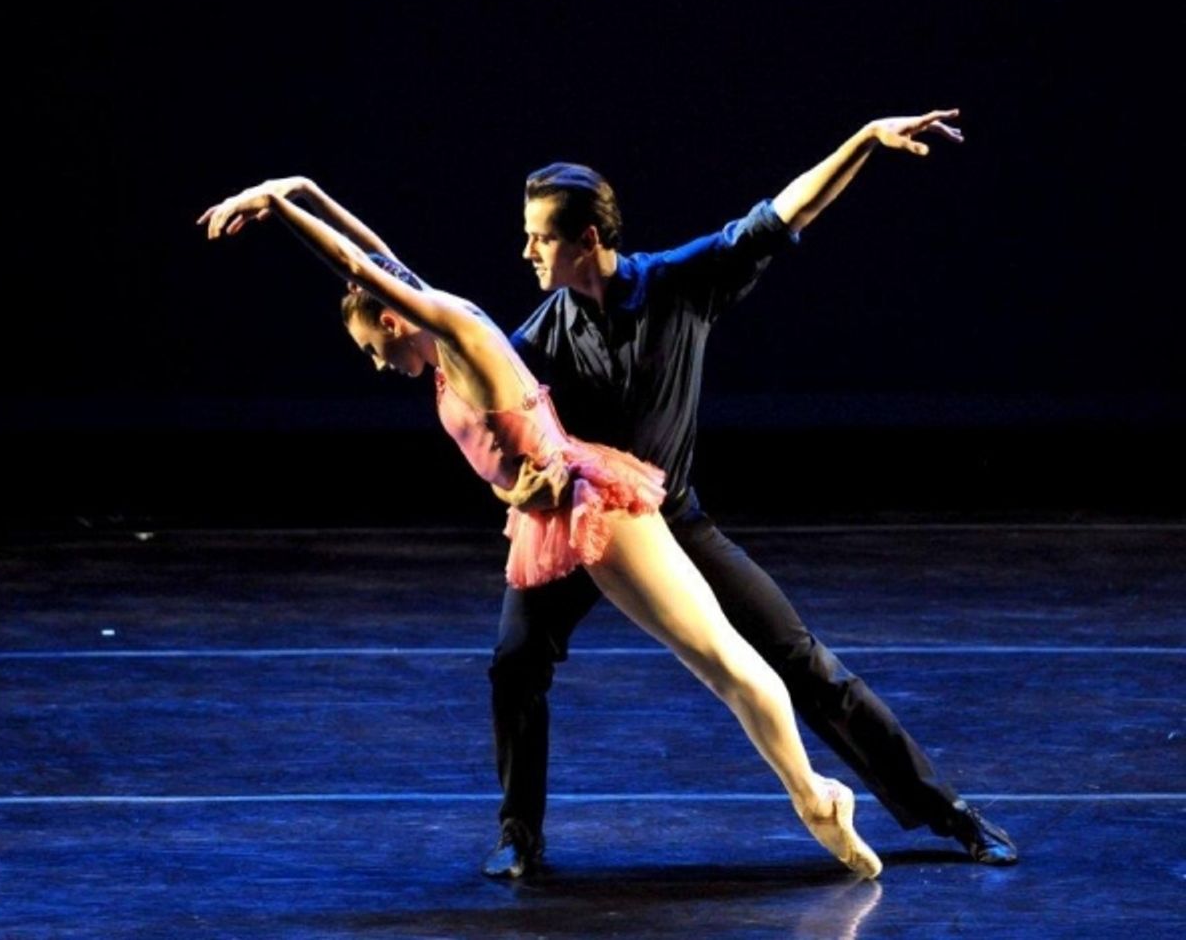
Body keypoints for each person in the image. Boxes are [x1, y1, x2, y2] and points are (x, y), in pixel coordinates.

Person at [198, 178, 883, 880]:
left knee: (722, 659)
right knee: (691, 662)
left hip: (598, 507)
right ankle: (803, 796)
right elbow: (376, 256)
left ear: (397, 319)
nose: (378, 364)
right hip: (556, 515)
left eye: (374, 346)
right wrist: (302, 188)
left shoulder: (459, 333)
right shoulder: (441, 341)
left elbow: (360, 266)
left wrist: (279, 211)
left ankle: (817, 797)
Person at [486, 108, 1019, 877]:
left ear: (588, 241)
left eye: (540, 235)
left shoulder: (675, 285)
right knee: (515, 663)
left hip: (674, 525)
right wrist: (519, 491)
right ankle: (518, 836)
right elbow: (497, 438)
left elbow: (779, 215)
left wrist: (864, 139)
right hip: (581, 532)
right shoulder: (535, 340)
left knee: (804, 663)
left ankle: (948, 813)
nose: (526, 249)